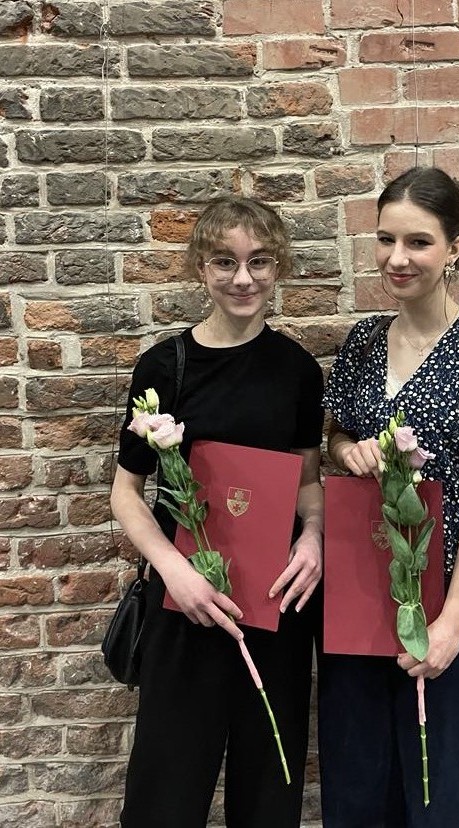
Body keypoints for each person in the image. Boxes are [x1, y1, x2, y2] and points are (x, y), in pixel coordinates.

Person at [318, 166, 459, 827]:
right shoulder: (364, 343)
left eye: (418, 242)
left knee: (433, 802)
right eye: (386, 239)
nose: (397, 258)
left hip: (444, 602)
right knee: (354, 796)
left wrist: (450, 628)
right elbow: (335, 434)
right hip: (360, 602)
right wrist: (347, 451)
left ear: (455, 248)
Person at [110, 195, 324, 828]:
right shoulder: (165, 367)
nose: (243, 278)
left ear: (278, 266)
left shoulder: (297, 370)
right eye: (225, 261)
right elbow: (126, 492)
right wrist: (173, 572)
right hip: (184, 604)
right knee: (166, 791)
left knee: (268, 791)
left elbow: (308, 482)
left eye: (259, 261)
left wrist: (314, 536)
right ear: (201, 268)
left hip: (276, 599)